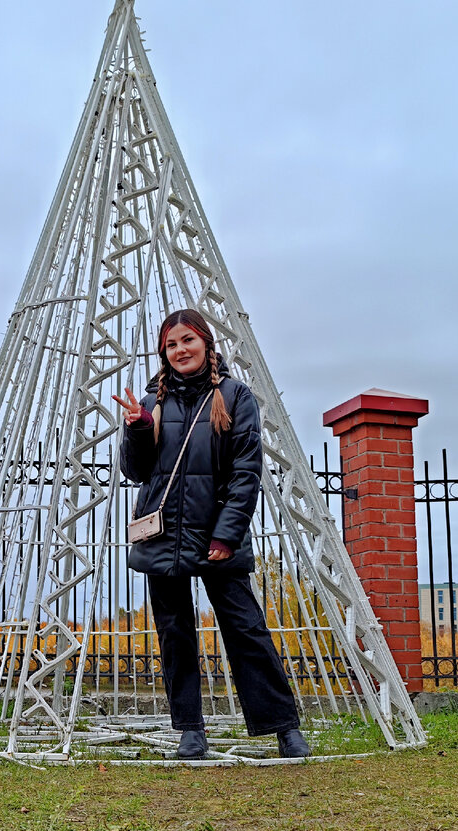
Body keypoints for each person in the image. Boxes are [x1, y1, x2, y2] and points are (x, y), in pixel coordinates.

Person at [113, 308, 311, 760]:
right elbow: (136, 472)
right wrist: (139, 430)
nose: (180, 350)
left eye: (187, 340)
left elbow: (246, 472)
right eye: (171, 344)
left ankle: (284, 727)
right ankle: (190, 731)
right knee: (175, 634)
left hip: (215, 534)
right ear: (163, 352)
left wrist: (226, 535)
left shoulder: (235, 396)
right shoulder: (149, 401)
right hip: (161, 536)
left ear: (206, 342)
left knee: (245, 628)